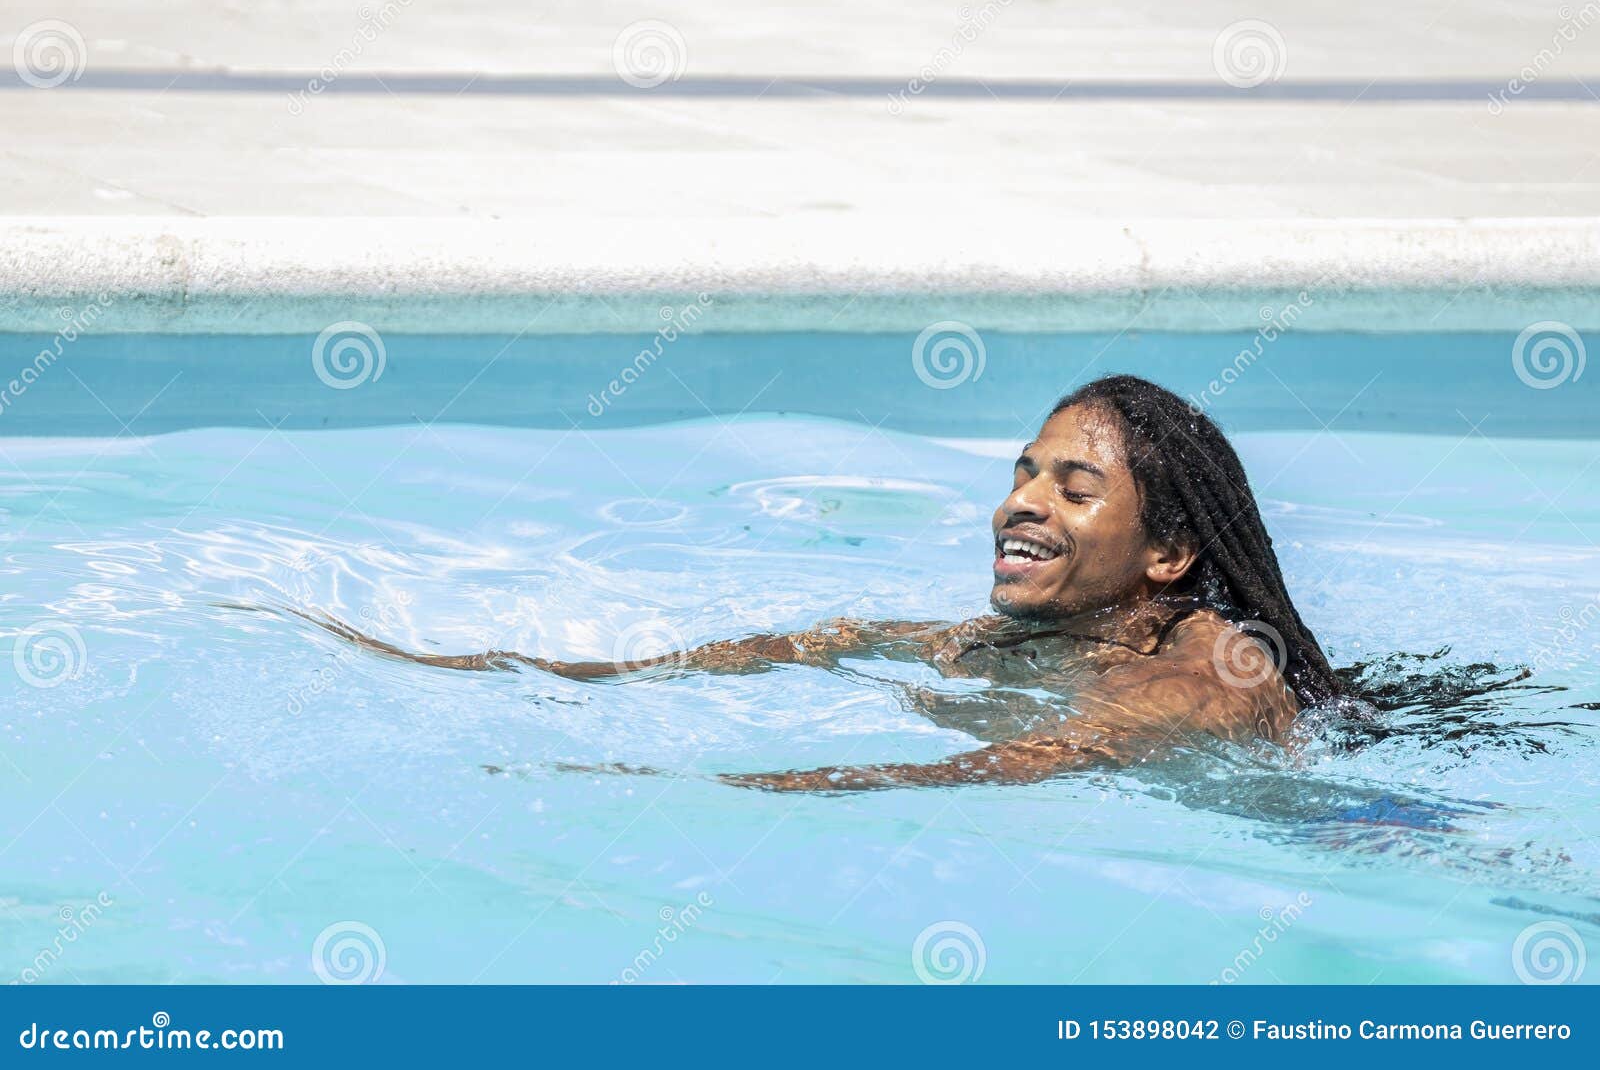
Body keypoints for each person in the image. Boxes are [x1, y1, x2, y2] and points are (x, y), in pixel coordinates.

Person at [295, 375, 1340, 792]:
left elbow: (1007, 770)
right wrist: (534, 672)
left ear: (1168, 556)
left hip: (1369, 833)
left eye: (1074, 490)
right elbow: (812, 643)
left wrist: (697, 790)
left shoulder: (1209, 671)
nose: (1020, 505)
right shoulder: (1033, 641)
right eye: (1022, 473)